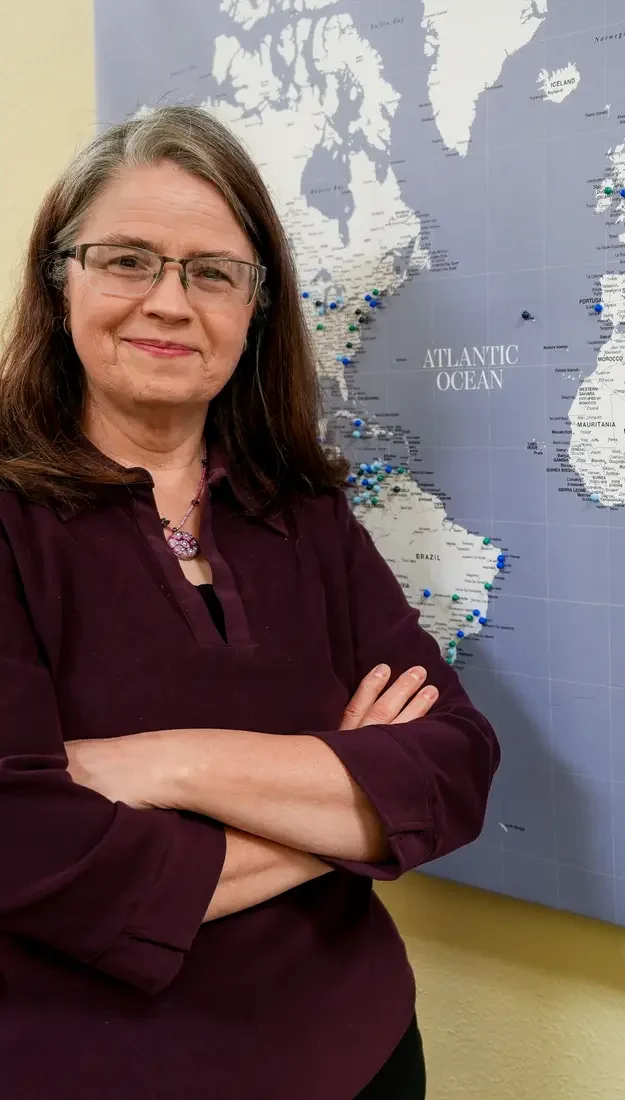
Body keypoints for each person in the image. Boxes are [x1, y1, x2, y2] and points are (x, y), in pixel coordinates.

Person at [0, 104, 500, 1099]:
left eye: (212, 271)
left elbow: (453, 767)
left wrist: (167, 764)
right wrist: (348, 808)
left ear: (254, 308)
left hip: (364, 1055)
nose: (170, 303)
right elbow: (24, 846)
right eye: (126, 259)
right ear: (61, 284)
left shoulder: (300, 508)